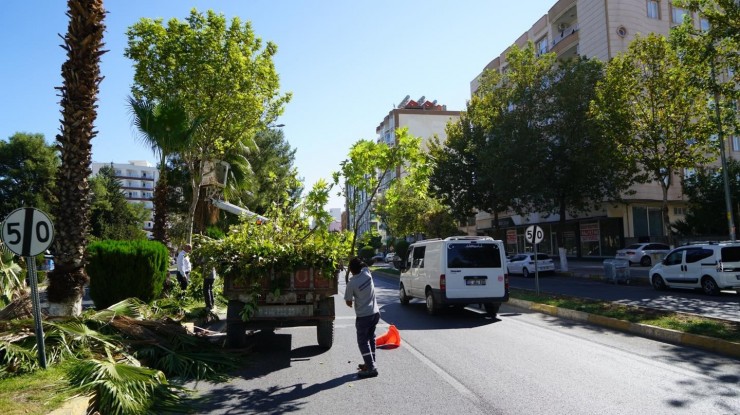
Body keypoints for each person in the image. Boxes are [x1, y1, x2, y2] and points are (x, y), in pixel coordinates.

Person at [344, 256, 380, 378]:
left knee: (362, 342)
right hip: (375, 313)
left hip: (364, 316)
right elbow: (364, 264)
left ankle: (371, 368)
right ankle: (370, 363)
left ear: (351, 270)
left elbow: (348, 302)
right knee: (371, 338)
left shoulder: (352, 283)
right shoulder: (367, 273)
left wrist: (354, 295)